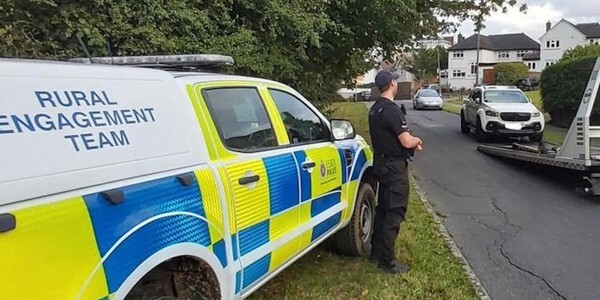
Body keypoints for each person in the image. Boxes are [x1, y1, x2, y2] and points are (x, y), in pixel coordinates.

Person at [368, 70, 423, 274]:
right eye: (396, 81)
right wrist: (416, 141)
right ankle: (387, 262)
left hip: (382, 164)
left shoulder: (375, 109)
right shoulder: (391, 110)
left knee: (382, 209)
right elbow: (405, 140)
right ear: (392, 84)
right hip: (394, 168)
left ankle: (375, 253)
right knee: (394, 212)